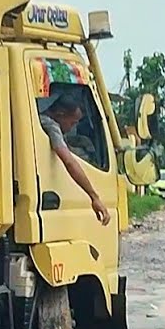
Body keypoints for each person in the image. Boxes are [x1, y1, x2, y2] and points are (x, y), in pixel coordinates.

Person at [39, 84, 110, 225]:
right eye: (73, 122)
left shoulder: (42, 120)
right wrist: (94, 197)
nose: (73, 127)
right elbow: (69, 161)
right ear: (60, 114)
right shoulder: (51, 126)